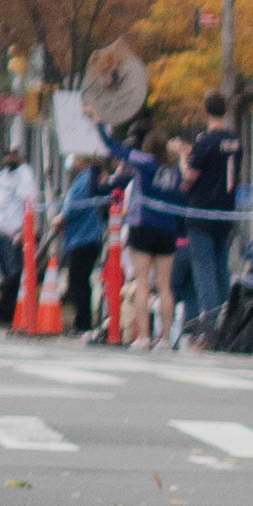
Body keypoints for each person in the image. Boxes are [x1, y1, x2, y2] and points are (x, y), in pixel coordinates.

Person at [98, 112, 183, 346]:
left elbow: (114, 148)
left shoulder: (145, 162)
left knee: (143, 282)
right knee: (165, 286)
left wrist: (99, 124)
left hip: (143, 225)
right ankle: (165, 338)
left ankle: (144, 336)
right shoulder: (173, 170)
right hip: (168, 229)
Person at [182, 92, 238, 340]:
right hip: (225, 209)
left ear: (205, 111)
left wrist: (182, 156)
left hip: (202, 210)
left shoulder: (204, 142)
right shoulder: (235, 140)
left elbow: (189, 179)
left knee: (204, 269)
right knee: (222, 269)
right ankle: (228, 323)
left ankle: (211, 326)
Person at [0, 148, 38, 320]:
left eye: (13, 154)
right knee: (3, 274)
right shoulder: (2, 175)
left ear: (20, 157)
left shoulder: (25, 175)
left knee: (13, 272)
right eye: (7, 154)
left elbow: (29, 201)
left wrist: (23, 231)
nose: (9, 157)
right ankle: (4, 308)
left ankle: (11, 310)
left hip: (12, 233)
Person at [58, 152, 112, 338]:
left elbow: (74, 206)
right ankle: (83, 321)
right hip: (84, 237)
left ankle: (83, 322)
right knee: (79, 282)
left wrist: (61, 218)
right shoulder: (89, 178)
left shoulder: (86, 179)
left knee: (78, 282)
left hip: (83, 238)